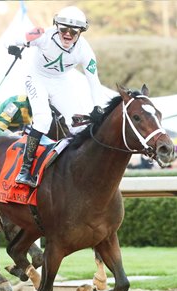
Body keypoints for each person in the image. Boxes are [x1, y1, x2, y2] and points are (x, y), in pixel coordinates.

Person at [8, 5, 105, 187]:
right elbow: (11, 39)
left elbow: (94, 82)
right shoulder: (42, 34)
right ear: (56, 26)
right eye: (64, 30)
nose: (68, 35)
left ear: (81, 32)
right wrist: (14, 46)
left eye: (73, 32)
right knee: (43, 120)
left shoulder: (85, 51)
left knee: (78, 125)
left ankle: (80, 168)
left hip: (60, 82)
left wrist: (97, 107)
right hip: (36, 78)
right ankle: (24, 170)